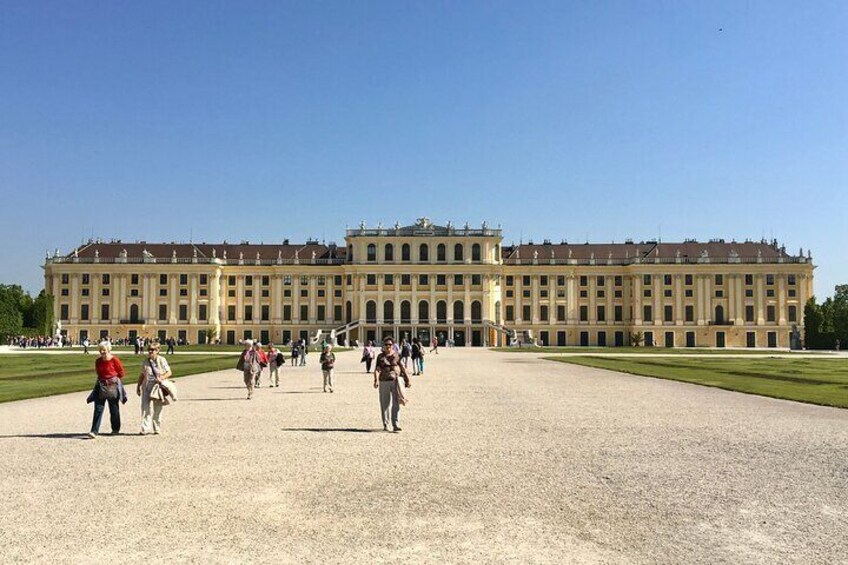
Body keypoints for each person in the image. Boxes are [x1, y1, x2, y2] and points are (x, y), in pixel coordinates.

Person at [88, 341, 126, 438]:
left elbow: (121, 373)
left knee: (114, 409)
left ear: (109, 349)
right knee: (98, 409)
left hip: (112, 386)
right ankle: (94, 431)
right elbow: (98, 372)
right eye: (100, 350)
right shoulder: (98, 361)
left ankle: (115, 428)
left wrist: (113, 380)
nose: (102, 352)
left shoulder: (114, 360)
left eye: (104, 350)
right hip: (101, 386)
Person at [373, 337, 410, 432]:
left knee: (396, 403)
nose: (388, 346)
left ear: (392, 345)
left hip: (395, 381)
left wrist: (407, 379)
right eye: (386, 344)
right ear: (383, 346)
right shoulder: (380, 356)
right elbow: (377, 369)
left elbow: (402, 367)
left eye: (389, 344)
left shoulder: (397, 355)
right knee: (384, 404)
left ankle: (395, 424)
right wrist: (375, 380)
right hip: (383, 381)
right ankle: (386, 424)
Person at [136, 342, 172, 435]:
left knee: (158, 407)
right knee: (145, 407)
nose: (150, 352)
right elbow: (142, 374)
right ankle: (145, 428)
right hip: (147, 386)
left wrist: (161, 378)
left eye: (152, 350)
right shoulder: (146, 361)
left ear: (158, 350)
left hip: (157, 387)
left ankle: (157, 427)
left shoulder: (162, 360)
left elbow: (169, 372)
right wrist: (138, 386)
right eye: (149, 350)